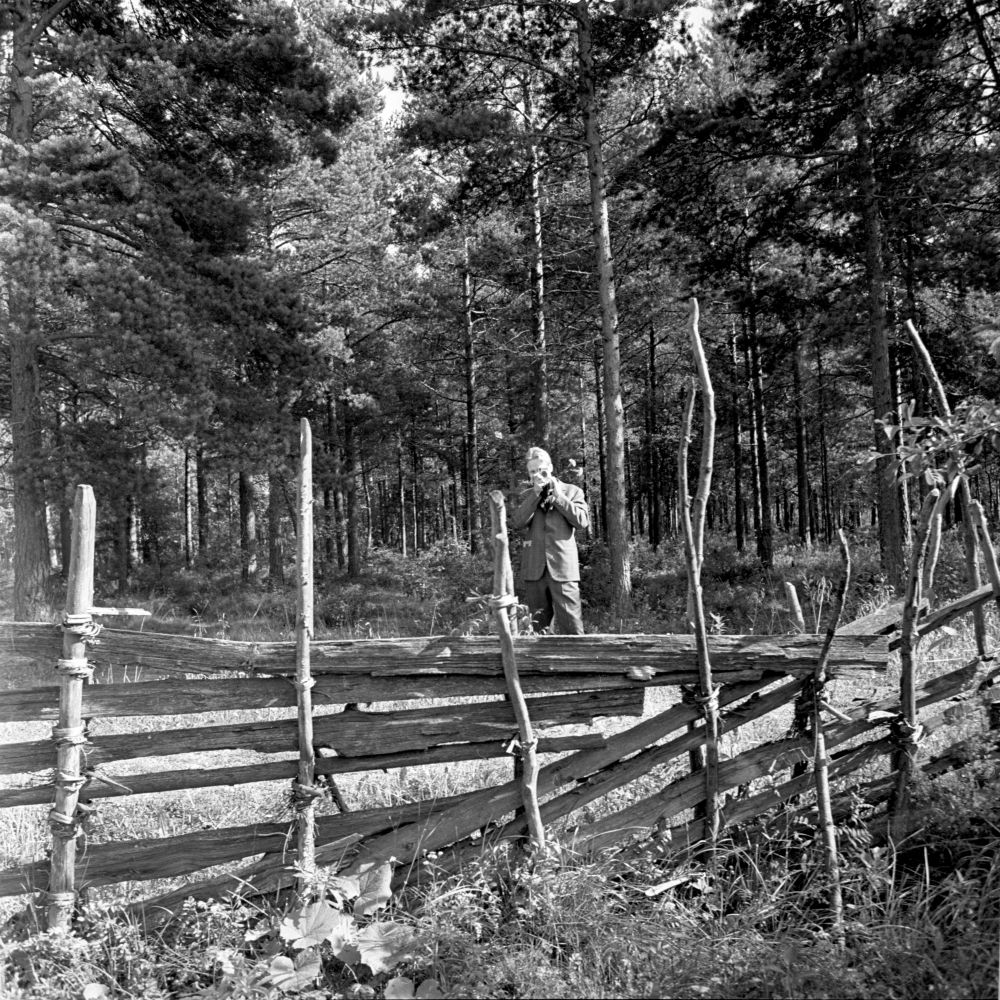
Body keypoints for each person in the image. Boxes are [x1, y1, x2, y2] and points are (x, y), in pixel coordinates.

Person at [509, 446, 590, 634]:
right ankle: (541, 664)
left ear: (551, 467)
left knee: (572, 627)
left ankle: (575, 663)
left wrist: (558, 497)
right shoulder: (527, 496)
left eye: (541, 470)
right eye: (532, 472)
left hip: (562, 568)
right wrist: (536, 496)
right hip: (534, 571)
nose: (537, 475)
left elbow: (582, 521)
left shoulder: (572, 491)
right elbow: (517, 522)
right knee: (537, 628)